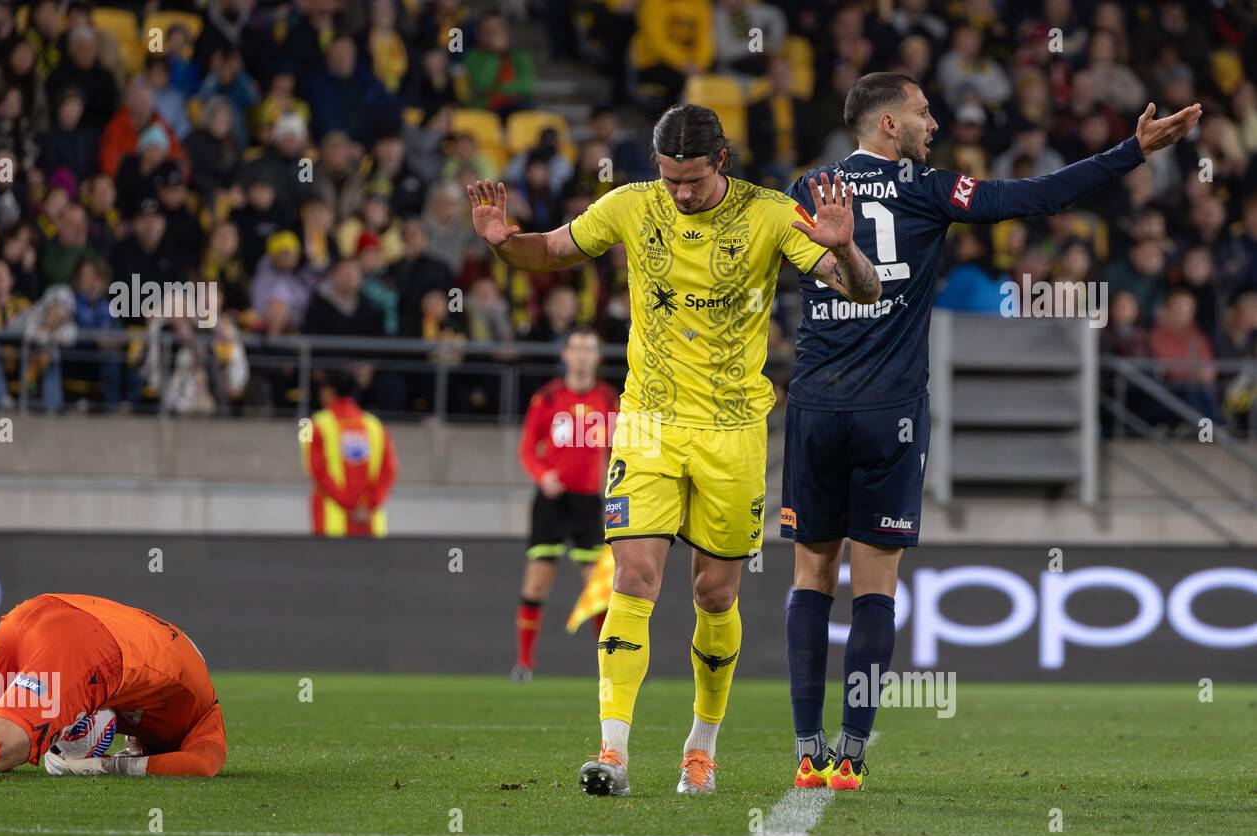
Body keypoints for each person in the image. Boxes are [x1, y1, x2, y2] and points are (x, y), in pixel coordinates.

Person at [780, 72, 1201, 792]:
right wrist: (1128, 152)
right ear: (888, 126)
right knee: (874, 586)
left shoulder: (806, 191)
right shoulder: (928, 187)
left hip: (815, 405)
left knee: (810, 576)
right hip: (891, 413)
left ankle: (807, 749)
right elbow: (1034, 197)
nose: (933, 124)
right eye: (922, 113)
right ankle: (851, 754)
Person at [467, 103, 879, 797]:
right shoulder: (631, 205)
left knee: (714, 593)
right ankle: (613, 751)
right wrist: (503, 240)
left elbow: (862, 291)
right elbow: (555, 249)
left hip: (733, 432)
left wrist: (843, 247)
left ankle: (700, 747)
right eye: (668, 179)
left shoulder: (772, 214)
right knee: (632, 579)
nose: (679, 194)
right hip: (649, 424)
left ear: (721, 162)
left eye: (689, 180)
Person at [0, 593, 226, 778]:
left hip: (30, 615)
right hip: (86, 643)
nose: (127, 746)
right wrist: (103, 765)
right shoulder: (202, 715)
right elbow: (202, 764)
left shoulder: (167, 683)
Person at [512, 327, 619, 682]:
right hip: (551, 502)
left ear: (597, 357)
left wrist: (615, 484)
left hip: (589, 504)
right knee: (537, 582)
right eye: (577, 348)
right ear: (566, 355)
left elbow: (620, 449)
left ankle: (609, 666)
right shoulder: (547, 398)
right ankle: (524, 663)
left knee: (599, 589)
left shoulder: (609, 400)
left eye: (589, 349)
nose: (582, 355)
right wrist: (543, 476)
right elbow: (528, 448)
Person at [301, 370, 398, 537]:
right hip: (371, 523)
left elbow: (315, 471)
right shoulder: (376, 425)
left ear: (328, 391)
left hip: (330, 522)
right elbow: (389, 471)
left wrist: (349, 505)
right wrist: (368, 506)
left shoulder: (308, 425)